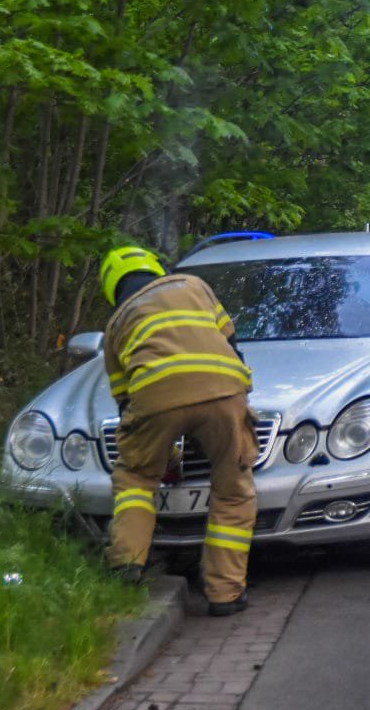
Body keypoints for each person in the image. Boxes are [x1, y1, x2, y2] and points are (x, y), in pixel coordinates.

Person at [100, 245, 258, 616]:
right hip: (224, 390)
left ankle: (126, 564)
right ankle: (226, 594)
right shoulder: (193, 285)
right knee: (233, 491)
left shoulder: (117, 323)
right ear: (156, 267)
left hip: (156, 400)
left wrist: (163, 454)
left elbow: (128, 408)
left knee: (136, 479)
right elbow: (232, 348)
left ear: (112, 287)